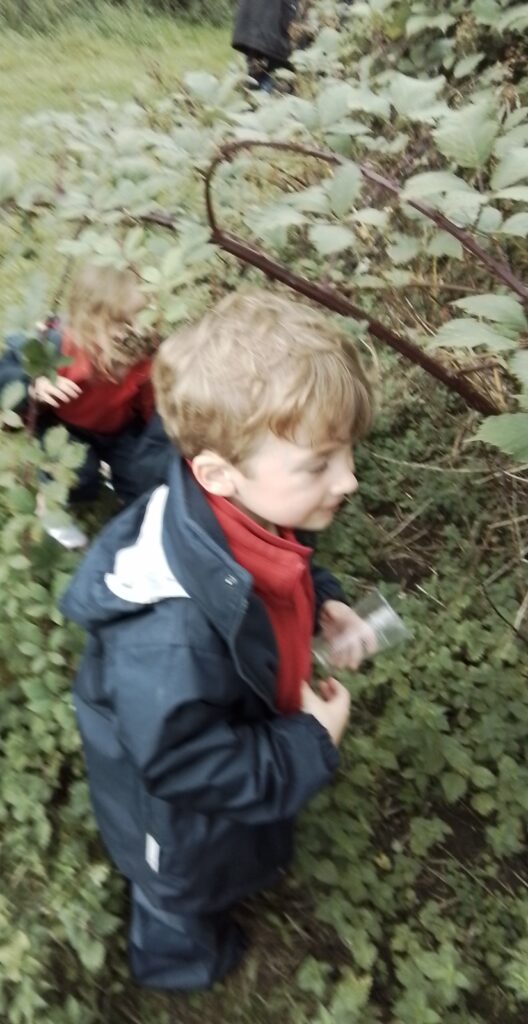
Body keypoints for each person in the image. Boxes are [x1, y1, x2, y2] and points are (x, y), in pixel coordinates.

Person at [60, 290, 376, 990]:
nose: (349, 479)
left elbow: (284, 566)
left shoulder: (246, 507)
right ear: (217, 473)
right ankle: (180, 963)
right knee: (179, 891)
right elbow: (183, 765)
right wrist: (308, 744)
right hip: (173, 822)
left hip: (234, 756)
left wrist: (326, 605)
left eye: (348, 452)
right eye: (320, 463)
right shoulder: (167, 639)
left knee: (233, 842)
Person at [0, 263, 172, 548]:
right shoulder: (58, 345)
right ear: (87, 321)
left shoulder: (144, 352)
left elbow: (151, 404)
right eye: (121, 322)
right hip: (66, 425)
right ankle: (51, 505)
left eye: (141, 318)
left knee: (144, 476)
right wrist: (35, 384)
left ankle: (128, 501)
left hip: (118, 425)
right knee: (77, 475)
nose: (135, 330)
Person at [232, 0, 300, 92]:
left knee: (256, 75)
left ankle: (255, 95)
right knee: (279, 83)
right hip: (268, 39)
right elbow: (289, 19)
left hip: (253, 33)